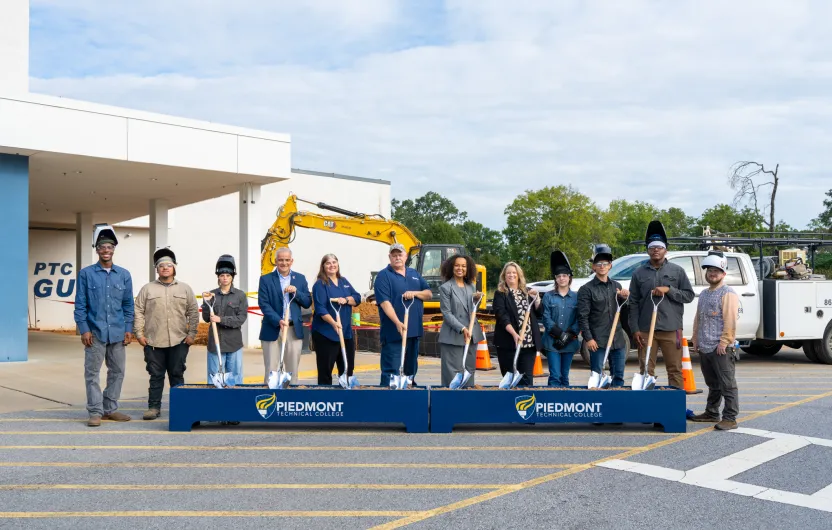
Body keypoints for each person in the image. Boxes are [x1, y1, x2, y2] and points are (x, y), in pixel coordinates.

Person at [74, 224, 134, 427]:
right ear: (97, 249)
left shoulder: (124, 275)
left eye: (109, 247)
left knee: (117, 372)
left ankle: (110, 409)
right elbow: (80, 304)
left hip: (117, 332)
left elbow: (128, 305)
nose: (105, 250)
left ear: (114, 249)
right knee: (92, 373)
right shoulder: (86, 274)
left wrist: (128, 329)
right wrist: (84, 329)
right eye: (102, 247)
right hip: (95, 333)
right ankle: (95, 411)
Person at [628, 220, 695, 389]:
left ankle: (675, 408)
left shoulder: (677, 271)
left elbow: (688, 296)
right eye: (652, 247)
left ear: (666, 249)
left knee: (674, 369)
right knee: (645, 371)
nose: (655, 250)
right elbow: (633, 303)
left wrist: (669, 289)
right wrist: (635, 329)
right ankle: (647, 407)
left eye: (659, 246)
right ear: (648, 250)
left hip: (671, 329)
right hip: (645, 329)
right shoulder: (638, 273)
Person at [134, 248, 199, 420]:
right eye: (161, 265)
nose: (165, 268)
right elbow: (138, 311)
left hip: (179, 340)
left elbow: (193, 311)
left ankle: (181, 408)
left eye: (168, 265)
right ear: (157, 269)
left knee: (177, 374)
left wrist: (192, 333)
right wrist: (139, 334)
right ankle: (154, 408)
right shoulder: (147, 289)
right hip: (154, 341)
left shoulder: (185, 289)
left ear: (174, 268)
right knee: (156, 376)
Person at [689, 251, 740, 431]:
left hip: (721, 348)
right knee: (713, 383)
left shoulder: (728, 293)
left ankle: (730, 418)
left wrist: (725, 342)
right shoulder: (703, 294)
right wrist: (695, 339)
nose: (712, 274)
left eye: (716, 271)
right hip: (705, 346)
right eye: (710, 270)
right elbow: (699, 318)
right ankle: (711, 412)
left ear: (723, 273)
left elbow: (730, 320)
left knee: (727, 384)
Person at [374, 243, 432, 386]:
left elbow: (428, 294)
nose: (397, 257)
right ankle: (388, 402)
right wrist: (397, 322)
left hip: (413, 331)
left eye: (400, 254)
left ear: (406, 256)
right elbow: (384, 303)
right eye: (394, 255)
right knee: (392, 371)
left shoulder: (414, 274)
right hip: (394, 332)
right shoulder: (383, 276)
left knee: (410, 371)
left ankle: (409, 400)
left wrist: (415, 293)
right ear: (389, 257)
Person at [577, 244, 630, 387]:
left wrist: (625, 298)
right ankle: (600, 404)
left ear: (610, 266)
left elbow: (624, 311)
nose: (602, 266)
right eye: (598, 263)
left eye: (605, 263)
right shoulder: (586, 290)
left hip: (617, 340)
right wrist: (588, 338)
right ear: (593, 267)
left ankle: (616, 404)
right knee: (597, 377)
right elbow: (582, 316)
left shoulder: (616, 286)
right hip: (597, 341)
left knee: (618, 377)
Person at [258, 247, 312, 385]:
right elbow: (264, 304)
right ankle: (271, 400)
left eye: (287, 260)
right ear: (275, 261)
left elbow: (307, 302)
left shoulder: (300, 279)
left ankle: (290, 400)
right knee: (271, 370)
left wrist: (297, 292)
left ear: (292, 261)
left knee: (292, 370)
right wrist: (278, 320)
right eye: (281, 260)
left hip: (293, 331)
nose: (284, 263)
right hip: (273, 329)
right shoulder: (266, 279)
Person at [311, 254, 362, 385]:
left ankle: (345, 397)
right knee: (325, 371)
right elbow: (321, 309)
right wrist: (333, 323)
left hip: (345, 333)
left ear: (338, 264)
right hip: (326, 333)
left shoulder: (343, 281)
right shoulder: (320, 285)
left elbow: (357, 298)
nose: (332, 265)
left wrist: (345, 300)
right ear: (323, 266)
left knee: (347, 369)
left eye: (334, 262)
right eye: (328, 263)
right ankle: (326, 399)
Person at [492, 261, 542, 387]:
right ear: (504, 276)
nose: (511, 275)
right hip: (509, 343)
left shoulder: (527, 292)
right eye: (508, 273)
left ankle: (525, 403)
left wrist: (537, 299)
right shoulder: (500, 293)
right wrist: (514, 334)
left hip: (528, 343)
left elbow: (539, 312)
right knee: (510, 377)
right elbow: (502, 316)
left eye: (514, 273)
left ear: (519, 275)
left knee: (526, 379)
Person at [438, 255, 484, 387]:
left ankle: (467, 400)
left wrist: (477, 300)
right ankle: (450, 402)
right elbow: (446, 313)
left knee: (469, 371)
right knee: (453, 374)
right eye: (457, 265)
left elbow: (472, 310)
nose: (460, 268)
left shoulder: (471, 287)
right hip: (453, 336)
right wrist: (462, 328)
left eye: (463, 266)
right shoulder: (446, 288)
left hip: (472, 335)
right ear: (451, 267)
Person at [201, 254, 248, 386]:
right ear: (218, 277)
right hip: (215, 345)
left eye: (228, 275)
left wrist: (220, 319)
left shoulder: (240, 295)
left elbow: (240, 319)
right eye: (222, 275)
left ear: (232, 277)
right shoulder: (211, 294)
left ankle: (235, 404)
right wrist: (206, 303)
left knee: (235, 379)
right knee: (214, 378)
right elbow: (206, 318)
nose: (225, 278)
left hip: (234, 344)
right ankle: (215, 403)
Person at [541, 251, 580, 387]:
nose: (562, 278)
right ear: (555, 279)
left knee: (564, 376)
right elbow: (546, 317)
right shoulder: (548, 296)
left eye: (565, 275)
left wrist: (567, 336)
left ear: (569, 278)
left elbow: (579, 318)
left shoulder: (577, 297)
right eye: (559, 276)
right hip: (552, 343)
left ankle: (565, 403)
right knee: (555, 376)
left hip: (570, 343)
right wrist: (559, 335)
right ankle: (552, 402)